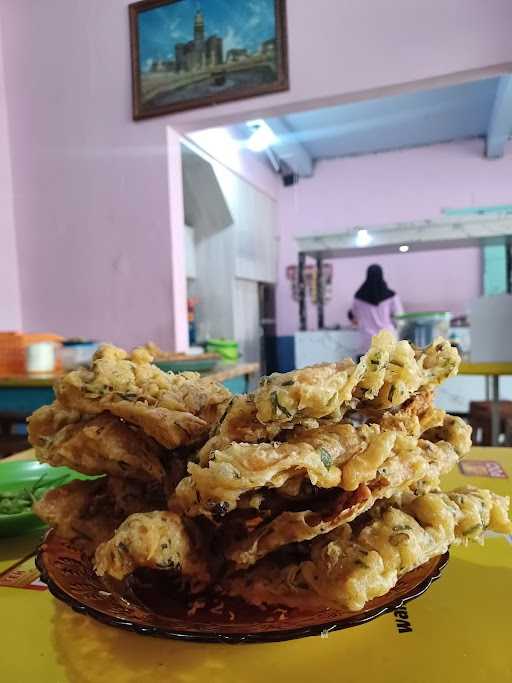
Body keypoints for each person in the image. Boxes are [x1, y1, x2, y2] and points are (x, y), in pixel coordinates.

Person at [348, 264, 403, 352]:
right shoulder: (391, 295)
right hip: (387, 336)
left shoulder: (358, 296)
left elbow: (353, 315)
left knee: (370, 364)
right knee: (390, 364)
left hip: (368, 339)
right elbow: (399, 316)